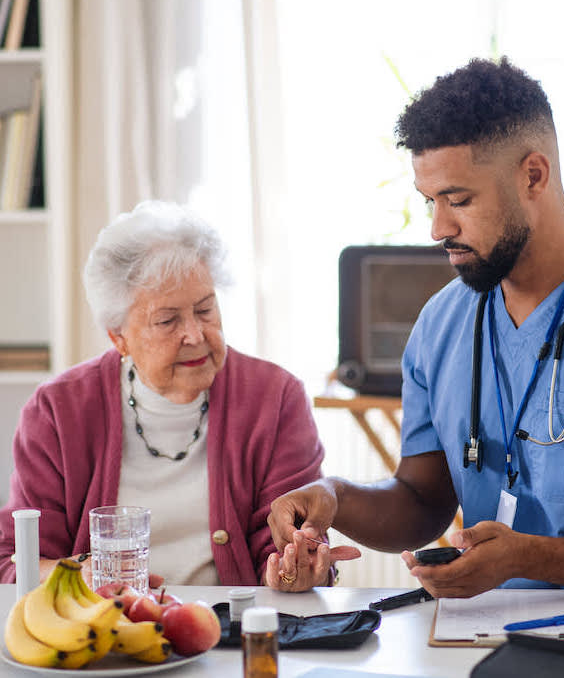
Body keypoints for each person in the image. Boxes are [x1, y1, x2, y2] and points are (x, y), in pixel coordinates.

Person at [268, 57, 564, 597]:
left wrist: (529, 557)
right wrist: (335, 496)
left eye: (459, 200)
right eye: (429, 202)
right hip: (479, 638)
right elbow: (421, 500)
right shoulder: (441, 323)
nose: (437, 228)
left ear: (533, 176)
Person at [0, 200, 356, 591]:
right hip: (102, 633)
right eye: (167, 321)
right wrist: (80, 576)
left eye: (205, 310)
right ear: (119, 337)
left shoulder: (275, 397)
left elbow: (289, 548)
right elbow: (15, 562)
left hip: (229, 632)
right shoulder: (58, 410)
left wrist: (296, 568)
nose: (195, 335)